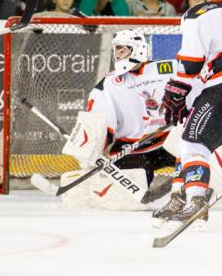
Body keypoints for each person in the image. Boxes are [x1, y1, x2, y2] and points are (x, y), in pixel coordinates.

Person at [152, 0, 222, 226]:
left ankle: (196, 201)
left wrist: (177, 89)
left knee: (193, 144)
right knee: (190, 142)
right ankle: (179, 196)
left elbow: (192, 62)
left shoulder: (195, 14)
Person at [60, 29, 177, 210]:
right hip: (133, 148)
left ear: (138, 49)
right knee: (126, 201)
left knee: (197, 153)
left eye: (124, 49)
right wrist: (91, 148)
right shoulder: (108, 85)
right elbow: (98, 121)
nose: (119, 54)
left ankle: (197, 185)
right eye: (117, 50)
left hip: (169, 139)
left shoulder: (168, 68)